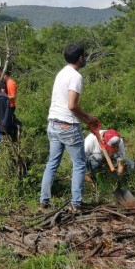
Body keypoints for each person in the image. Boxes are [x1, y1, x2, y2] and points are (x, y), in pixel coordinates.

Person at [39, 44, 98, 211]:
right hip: (68, 126)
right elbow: (72, 105)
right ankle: (76, 203)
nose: (85, 58)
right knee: (79, 164)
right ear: (80, 58)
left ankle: (44, 201)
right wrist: (88, 118)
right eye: (84, 56)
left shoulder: (62, 73)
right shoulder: (75, 76)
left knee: (52, 163)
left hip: (53, 124)